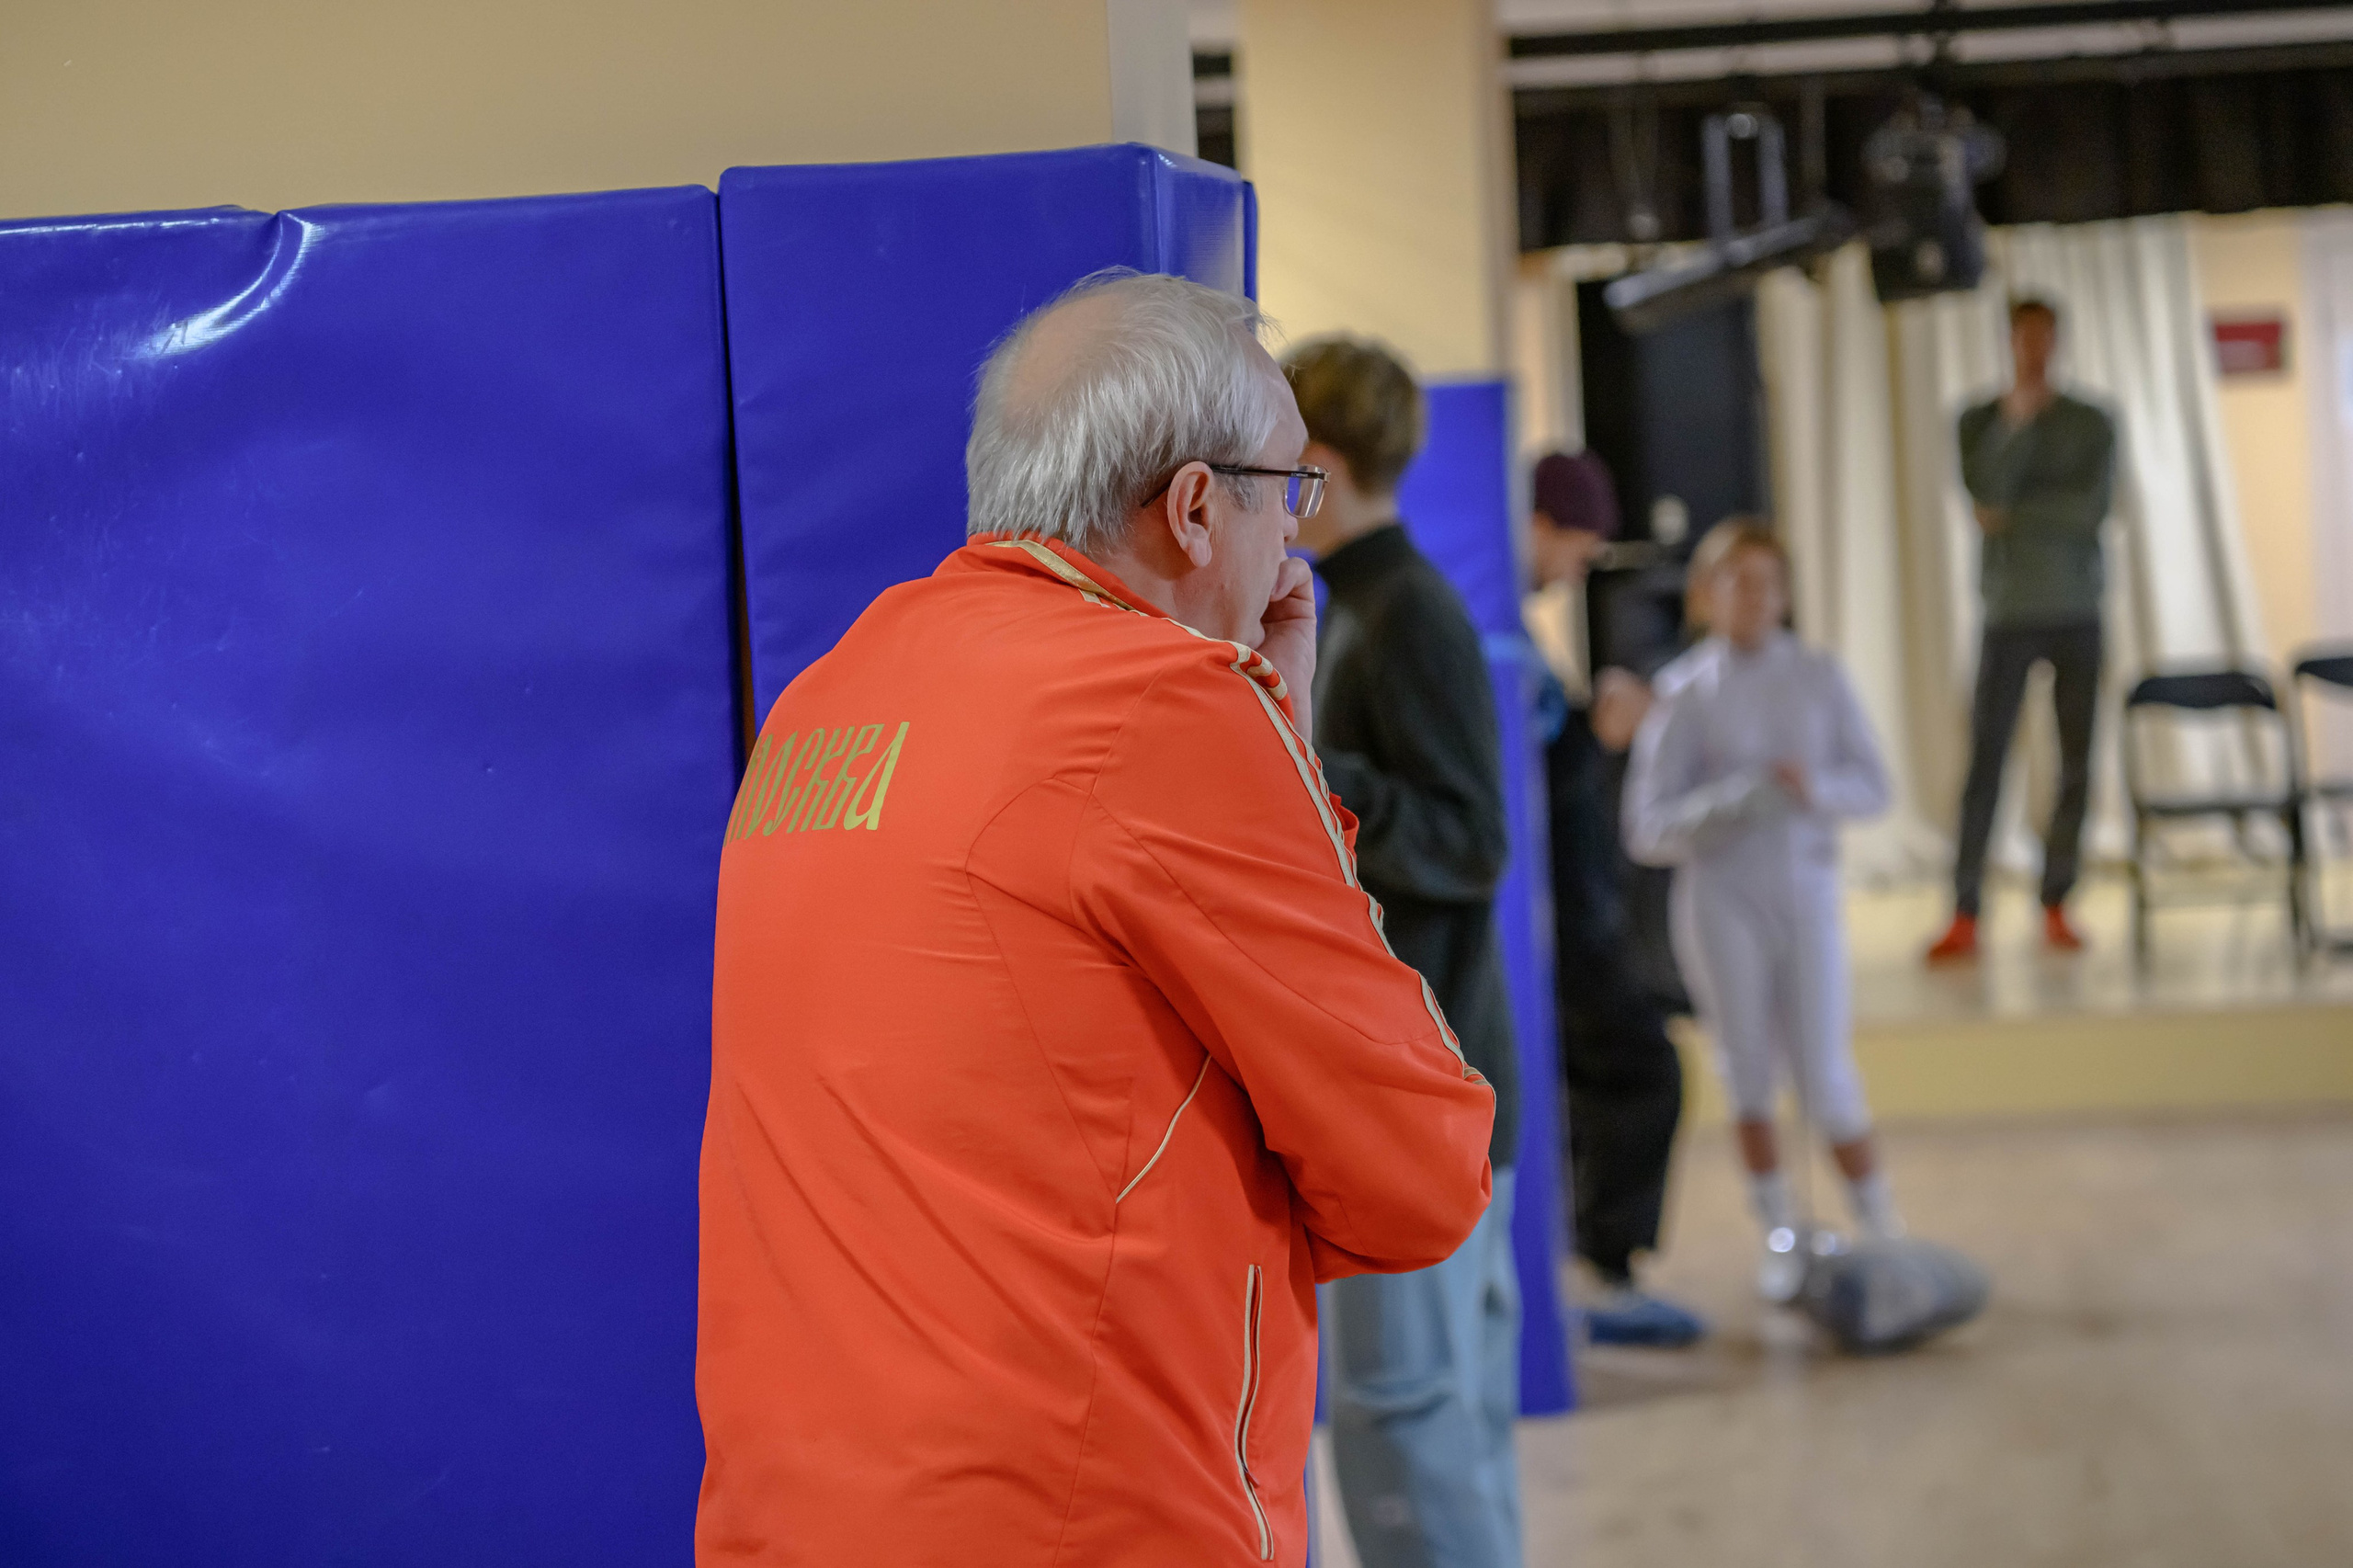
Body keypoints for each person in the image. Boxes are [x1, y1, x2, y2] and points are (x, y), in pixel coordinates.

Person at [696, 273, 1496, 1567]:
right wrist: (1282, 760)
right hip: (1081, 1514)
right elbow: (1421, 1174)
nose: (1291, 542)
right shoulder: (1163, 706)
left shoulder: (827, 696)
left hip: (797, 1509)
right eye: (1285, 490)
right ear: (1195, 508)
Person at [1283, 335, 1522, 1568]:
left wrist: (1307, 768)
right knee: (1444, 1417)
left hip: (1429, 1080)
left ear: (1320, 463)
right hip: (1434, 1074)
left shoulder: (1406, 612)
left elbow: (1471, 839)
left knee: (1410, 1418)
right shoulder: (1371, 607)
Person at [1623, 519, 1901, 1303]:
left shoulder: (1818, 675)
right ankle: (1780, 1231)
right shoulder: (1683, 692)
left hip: (1805, 893)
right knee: (1746, 1071)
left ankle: (1882, 1227)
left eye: (1767, 582)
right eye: (1736, 581)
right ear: (1705, 594)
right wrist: (1728, 804)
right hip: (1722, 903)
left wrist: (1813, 791)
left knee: (1825, 1073)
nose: (1753, 597)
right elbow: (1647, 829)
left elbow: (1875, 787)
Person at [1525, 451, 1705, 1349]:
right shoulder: (1475, 622)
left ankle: (1589, 1267)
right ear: (1541, 525)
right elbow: (1518, 772)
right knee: (1642, 1072)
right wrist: (1592, 733)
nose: (1578, 569)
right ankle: (1605, 1269)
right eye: (1579, 547)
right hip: (1553, 918)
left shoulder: (1502, 625)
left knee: (1591, 1085)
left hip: (1566, 911)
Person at [1927, 296, 2119, 962]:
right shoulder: (1979, 420)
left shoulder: (2092, 422)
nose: (2034, 349)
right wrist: (2015, 427)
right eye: (2024, 337)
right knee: (1986, 762)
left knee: (2075, 762)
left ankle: (2057, 900)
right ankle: (1965, 909)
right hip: (2008, 613)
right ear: (2009, 342)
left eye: (2044, 337)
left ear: (2058, 341)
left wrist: (2016, 514)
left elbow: (2091, 511)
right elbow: (1984, 499)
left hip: (2077, 610)